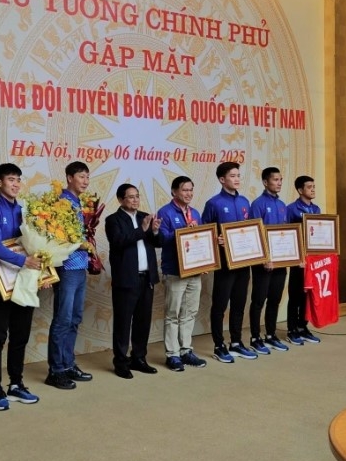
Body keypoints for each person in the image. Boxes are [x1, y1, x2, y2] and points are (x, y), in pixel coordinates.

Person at [0, 163, 42, 411]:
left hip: (24, 282)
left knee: (20, 336)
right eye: (10, 180)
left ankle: (16, 384)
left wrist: (42, 273)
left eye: (18, 180)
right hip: (0, 284)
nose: (15, 184)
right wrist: (24, 260)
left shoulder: (26, 211)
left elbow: (36, 246)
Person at [200, 162, 257, 363]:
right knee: (220, 304)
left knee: (240, 303)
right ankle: (218, 345)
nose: (237, 179)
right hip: (224, 263)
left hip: (243, 261)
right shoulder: (213, 203)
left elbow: (250, 229)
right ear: (222, 179)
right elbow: (203, 233)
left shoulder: (244, 202)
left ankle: (236, 342)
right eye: (232, 176)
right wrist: (217, 238)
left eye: (238, 175)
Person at [104, 184, 161, 379]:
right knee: (123, 322)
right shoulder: (113, 220)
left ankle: (139, 358)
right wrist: (142, 230)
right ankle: (120, 362)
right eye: (130, 197)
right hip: (127, 279)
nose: (135, 200)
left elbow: (157, 242)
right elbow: (119, 241)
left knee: (142, 321)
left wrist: (153, 231)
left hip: (147, 278)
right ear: (120, 200)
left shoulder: (144, 216)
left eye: (137, 196)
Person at [45, 162, 93, 390]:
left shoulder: (79, 203)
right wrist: (79, 243)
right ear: (69, 177)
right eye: (81, 176)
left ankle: (68, 363)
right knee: (63, 319)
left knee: (74, 318)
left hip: (80, 267)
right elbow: (56, 236)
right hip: (66, 267)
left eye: (87, 177)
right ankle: (55, 370)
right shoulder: (61, 203)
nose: (85, 181)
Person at [156, 176, 208, 371]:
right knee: (172, 314)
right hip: (174, 270)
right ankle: (172, 355)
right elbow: (161, 239)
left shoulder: (195, 212)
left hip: (194, 270)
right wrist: (183, 231)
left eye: (191, 190)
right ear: (174, 192)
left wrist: (204, 260)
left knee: (190, 312)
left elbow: (200, 239)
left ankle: (186, 351)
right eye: (185, 190)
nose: (188, 194)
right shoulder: (165, 212)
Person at [248, 167, 290, 355]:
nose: (279, 182)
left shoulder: (282, 205)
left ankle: (271, 334)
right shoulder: (257, 204)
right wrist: (265, 258)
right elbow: (255, 234)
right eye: (275, 179)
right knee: (259, 300)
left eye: (281, 179)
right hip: (263, 262)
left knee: (275, 299)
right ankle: (255, 337)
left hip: (280, 262)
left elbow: (287, 234)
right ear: (265, 182)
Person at [286, 175, 322, 346]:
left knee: (308, 294)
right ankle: (291, 329)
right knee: (295, 295)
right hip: (297, 259)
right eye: (309, 187)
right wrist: (296, 257)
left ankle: (303, 326)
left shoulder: (316, 209)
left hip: (312, 260)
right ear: (300, 190)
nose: (313, 189)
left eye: (314, 186)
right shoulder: (291, 209)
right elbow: (286, 236)